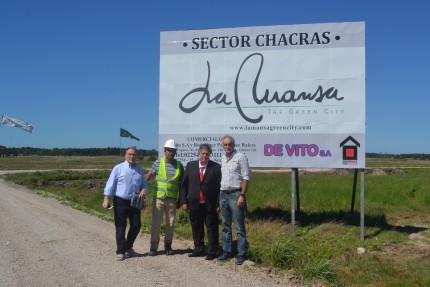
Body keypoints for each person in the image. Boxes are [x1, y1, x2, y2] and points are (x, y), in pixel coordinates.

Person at [103, 146, 147, 261]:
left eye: (134, 155)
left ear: (137, 156)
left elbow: (144, 184)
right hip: (120, 201)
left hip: (135, 202)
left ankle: (127, 247)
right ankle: (121, 251)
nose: (132, 156)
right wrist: (106, 198)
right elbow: (110, 183)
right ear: (125, 155)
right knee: (120, 226)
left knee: (136, 225)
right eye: (129, 154)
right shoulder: (118, 168)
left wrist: (143, 189)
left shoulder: (139, 170)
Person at [181, 143, 221, 260]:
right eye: (203, 154)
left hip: (210, 204)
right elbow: (184, 185)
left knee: (212, 229)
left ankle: (212, 251)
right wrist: (184, 201)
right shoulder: (190, 166)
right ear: (199, 154)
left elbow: (220, 188)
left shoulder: (216, 167)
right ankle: (198, 249)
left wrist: (219, 204)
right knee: (196, 227)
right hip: (194, 203)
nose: (204, 156)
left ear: (210, 155)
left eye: (207, 154)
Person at [146, 139, 184, 256]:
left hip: (172, 199)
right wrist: (141, 188)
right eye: (169, 151)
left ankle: (168, 245)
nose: (171, 153)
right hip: (159, 198)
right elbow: (148, 176)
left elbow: (182, 184)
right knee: (156, 223)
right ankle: (153, 247)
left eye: (173, 151)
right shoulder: (158, 163)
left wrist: (180, 200)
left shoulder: (179, 166)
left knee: (170, 224)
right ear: (164, 151)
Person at [217, 135, 250, 265]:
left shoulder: (240, 157)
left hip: (236, 194)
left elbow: (246, 177)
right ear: (222, 146)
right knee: (225, 225)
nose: (227, 146)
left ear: (234, 145)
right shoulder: (222, 158)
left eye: (229, 144)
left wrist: (242, 195)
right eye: (225, 145)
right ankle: (226, 251)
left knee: (239, 226)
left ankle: (241, 253)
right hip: (223, 194)